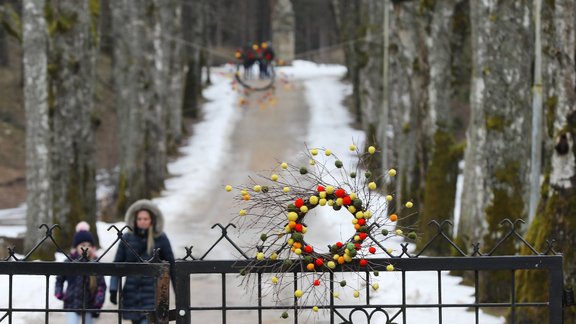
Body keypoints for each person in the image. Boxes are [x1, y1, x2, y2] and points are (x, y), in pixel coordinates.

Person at [109, 199, 176, 324]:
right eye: (139, 219)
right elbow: (117, 264)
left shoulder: (160, 238)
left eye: (146, 219)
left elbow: (171, 265)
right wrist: (113, 288)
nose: (142, 222)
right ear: (135, 220)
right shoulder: (127, 238)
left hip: (152, 293)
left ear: (152, 220)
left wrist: (179, 291)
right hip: (132, 292)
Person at [55, 228, 106, 324]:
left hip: (89, 305)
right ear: (76, 246)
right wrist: (59, 292)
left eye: (89, 245)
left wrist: (98, 302)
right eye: (83, 245)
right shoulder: (69, 261)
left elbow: (101, 285)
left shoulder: (95, 263)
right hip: (71, 303)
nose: (86, 248)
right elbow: (60, 279)